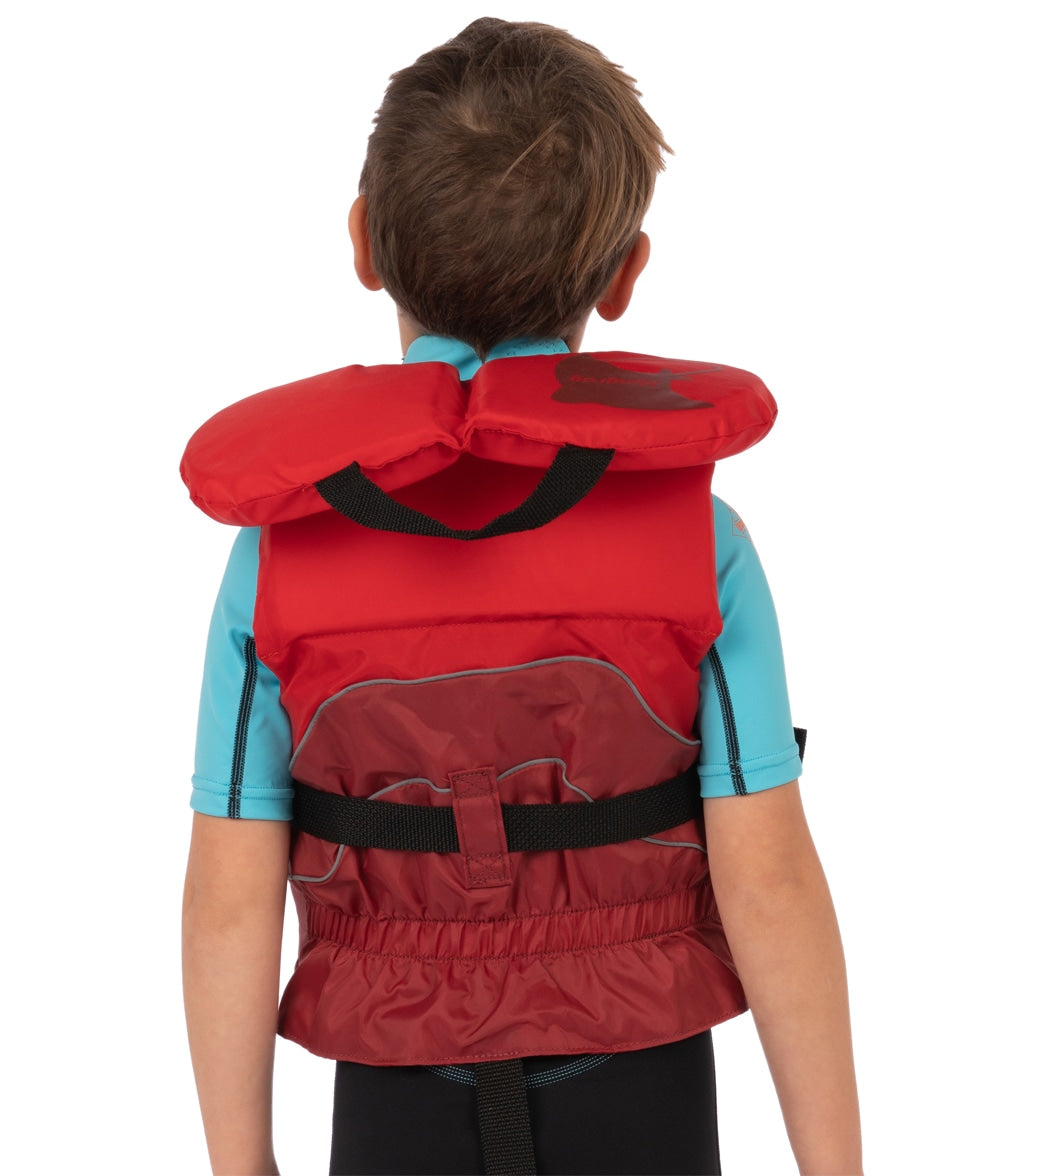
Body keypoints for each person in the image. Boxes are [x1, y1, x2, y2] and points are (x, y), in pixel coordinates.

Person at [182, 18, 861, 1176]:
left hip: (394, 1096)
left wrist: (243, 1170)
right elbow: (771, 876)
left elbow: (230, 896)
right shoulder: (702, 541)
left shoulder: (279, 554)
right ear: (626, 271)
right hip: (641, 1085)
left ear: (363, 243)